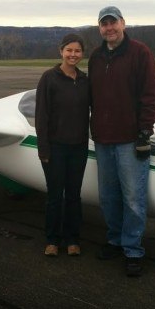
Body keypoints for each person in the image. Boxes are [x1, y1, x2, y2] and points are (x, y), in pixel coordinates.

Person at [88, 6, 155, 276]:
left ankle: (132, 249)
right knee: (108, 197)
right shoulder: (95, 57)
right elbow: (91, 96)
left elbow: (151, 94)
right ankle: (115, 240)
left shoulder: (140, 52)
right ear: (99, 28)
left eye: (113, 23)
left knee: (133, 198)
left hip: (130, 140)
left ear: (123, 24)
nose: (109, 28)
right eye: (104, 24)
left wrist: (144, 131)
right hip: (103, 139)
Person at [35, 33, 90, 257]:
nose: (73, 55)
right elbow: (41, 116)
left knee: (74, 196)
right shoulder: (49, 78)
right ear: (61, 51)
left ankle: (72, 239)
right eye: (69, 50)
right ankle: (52, 240)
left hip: (78, 148)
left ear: (82, 54)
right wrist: (43, 150)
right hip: (55, 149)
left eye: (77, 51)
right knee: (55, 196)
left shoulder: (85, 81)